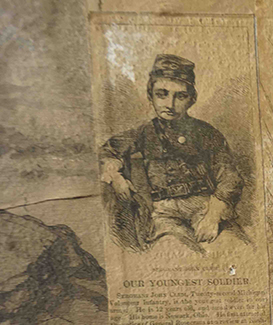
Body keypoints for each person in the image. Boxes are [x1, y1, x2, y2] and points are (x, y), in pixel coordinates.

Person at [98, 54, 244, 253]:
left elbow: (230, 176)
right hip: (163, 212)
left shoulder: (206, 133)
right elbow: (108, 151)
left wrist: (212, 216)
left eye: (180, 96)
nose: (170, 104)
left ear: (192, 99)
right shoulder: (143, 133)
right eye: (162, 94)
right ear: (151, 96)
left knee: (233, 247)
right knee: (175, 250)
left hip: (204, 206)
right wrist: (115, 175)